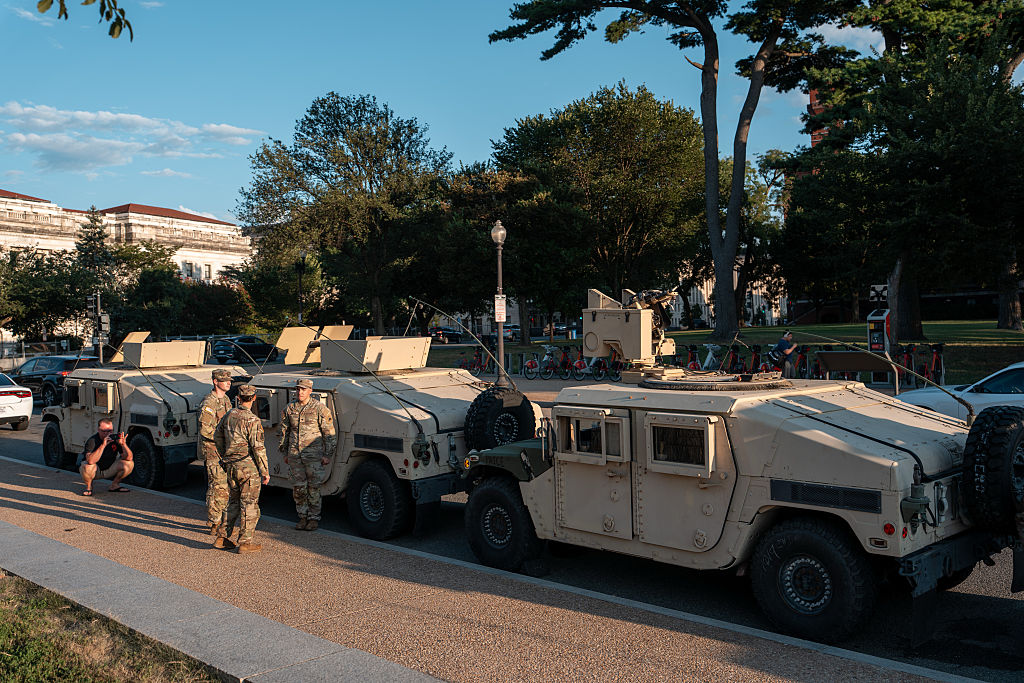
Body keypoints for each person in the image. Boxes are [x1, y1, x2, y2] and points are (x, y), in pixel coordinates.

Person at [214, 384, 269, 554]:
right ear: (254, 398)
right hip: (248, 467)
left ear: (238, 398)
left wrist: (225, 456)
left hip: (231, 465)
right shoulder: (253, 420)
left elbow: (217, 436)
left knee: (233, 502)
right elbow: (258, 448)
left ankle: (222, 537)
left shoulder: (229, 414)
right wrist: (265, 471)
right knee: (249, 504)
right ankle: (245, 542)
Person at [279, 377, 336, 531]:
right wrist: (285, 452)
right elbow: (284, 432)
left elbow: (329, 434)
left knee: (314, 488)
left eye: (303, 389)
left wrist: (327, 455)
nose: (300, 392)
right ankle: (302, 517)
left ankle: (313, 518)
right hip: (295, 455)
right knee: (299, 488)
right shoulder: (289, 409)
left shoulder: (320, 409)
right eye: (298, 389)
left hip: (313, 456)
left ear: (310, 391)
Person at [198, 368, 234, 534]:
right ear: (215, 381)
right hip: (213, 451)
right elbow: (205, 430)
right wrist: (223, 440)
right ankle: (214, 522)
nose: (228, 383)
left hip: (225, 450)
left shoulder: (226, 399)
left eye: (229, 381)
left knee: (225, 487)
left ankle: (221, 520)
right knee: (217, 486)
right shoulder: (209, 403)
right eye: (224, 380)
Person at [79, 418, 134, 496]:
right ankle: (89, 488)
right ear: (98, 430)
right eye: (104, 431)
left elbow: (129, 458)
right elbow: (90, 461)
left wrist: (123, 445)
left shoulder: (115, 439)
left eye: (110, 431)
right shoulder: (92, 441)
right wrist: (103, 445)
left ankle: (114, 485)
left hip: (109, 468)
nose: (108, 433)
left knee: (129, 464)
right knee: (87, 466)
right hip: (95, 471)